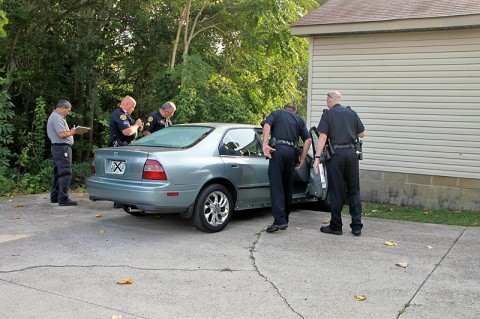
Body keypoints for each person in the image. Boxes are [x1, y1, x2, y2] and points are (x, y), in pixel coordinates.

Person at [313, 91, 365, 236]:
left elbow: (322, 136)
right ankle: (356, 226)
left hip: (336, 155)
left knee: (336, 191)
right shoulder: (351, 113)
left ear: (330, 100)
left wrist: (317, 158)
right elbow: (362, 134)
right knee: (354, 190)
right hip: (352, 154)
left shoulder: (328, 115)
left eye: (326, 101)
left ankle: (336, 226)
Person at [262, 103, 312, 233]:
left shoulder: (276, 113)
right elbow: (308, 140)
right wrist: (302, 158)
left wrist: (265, 143)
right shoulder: (299, 119)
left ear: (284, 108)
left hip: (277, 150)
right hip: (292, 153)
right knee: (287, 187)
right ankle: (285, 219)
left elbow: (267, 125)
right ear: (294, 111)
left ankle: (279, 221)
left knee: (276, 186)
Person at [108, 95, 144, 209]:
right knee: (119, 175)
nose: (133, 109)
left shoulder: (126, 115)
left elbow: (134, 127)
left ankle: (122, 200)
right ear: (127, 104)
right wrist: (136, 125)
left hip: (124, 148)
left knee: (124, 175)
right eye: (132, 106)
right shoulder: (120, 114)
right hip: (119, 149)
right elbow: (127, 131)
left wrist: (138, 127)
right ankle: (118, 201)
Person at [46, 100, 78, 206]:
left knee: (58, 173)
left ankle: (54, 197)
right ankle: (63, 198)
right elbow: (62, 134)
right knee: (65, 172)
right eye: (68, 110)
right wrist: (73, 132)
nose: (68, 113)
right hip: (62, 149)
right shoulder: (56, 117)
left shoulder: (56, 116)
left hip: (58, 148)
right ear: (63, 108)